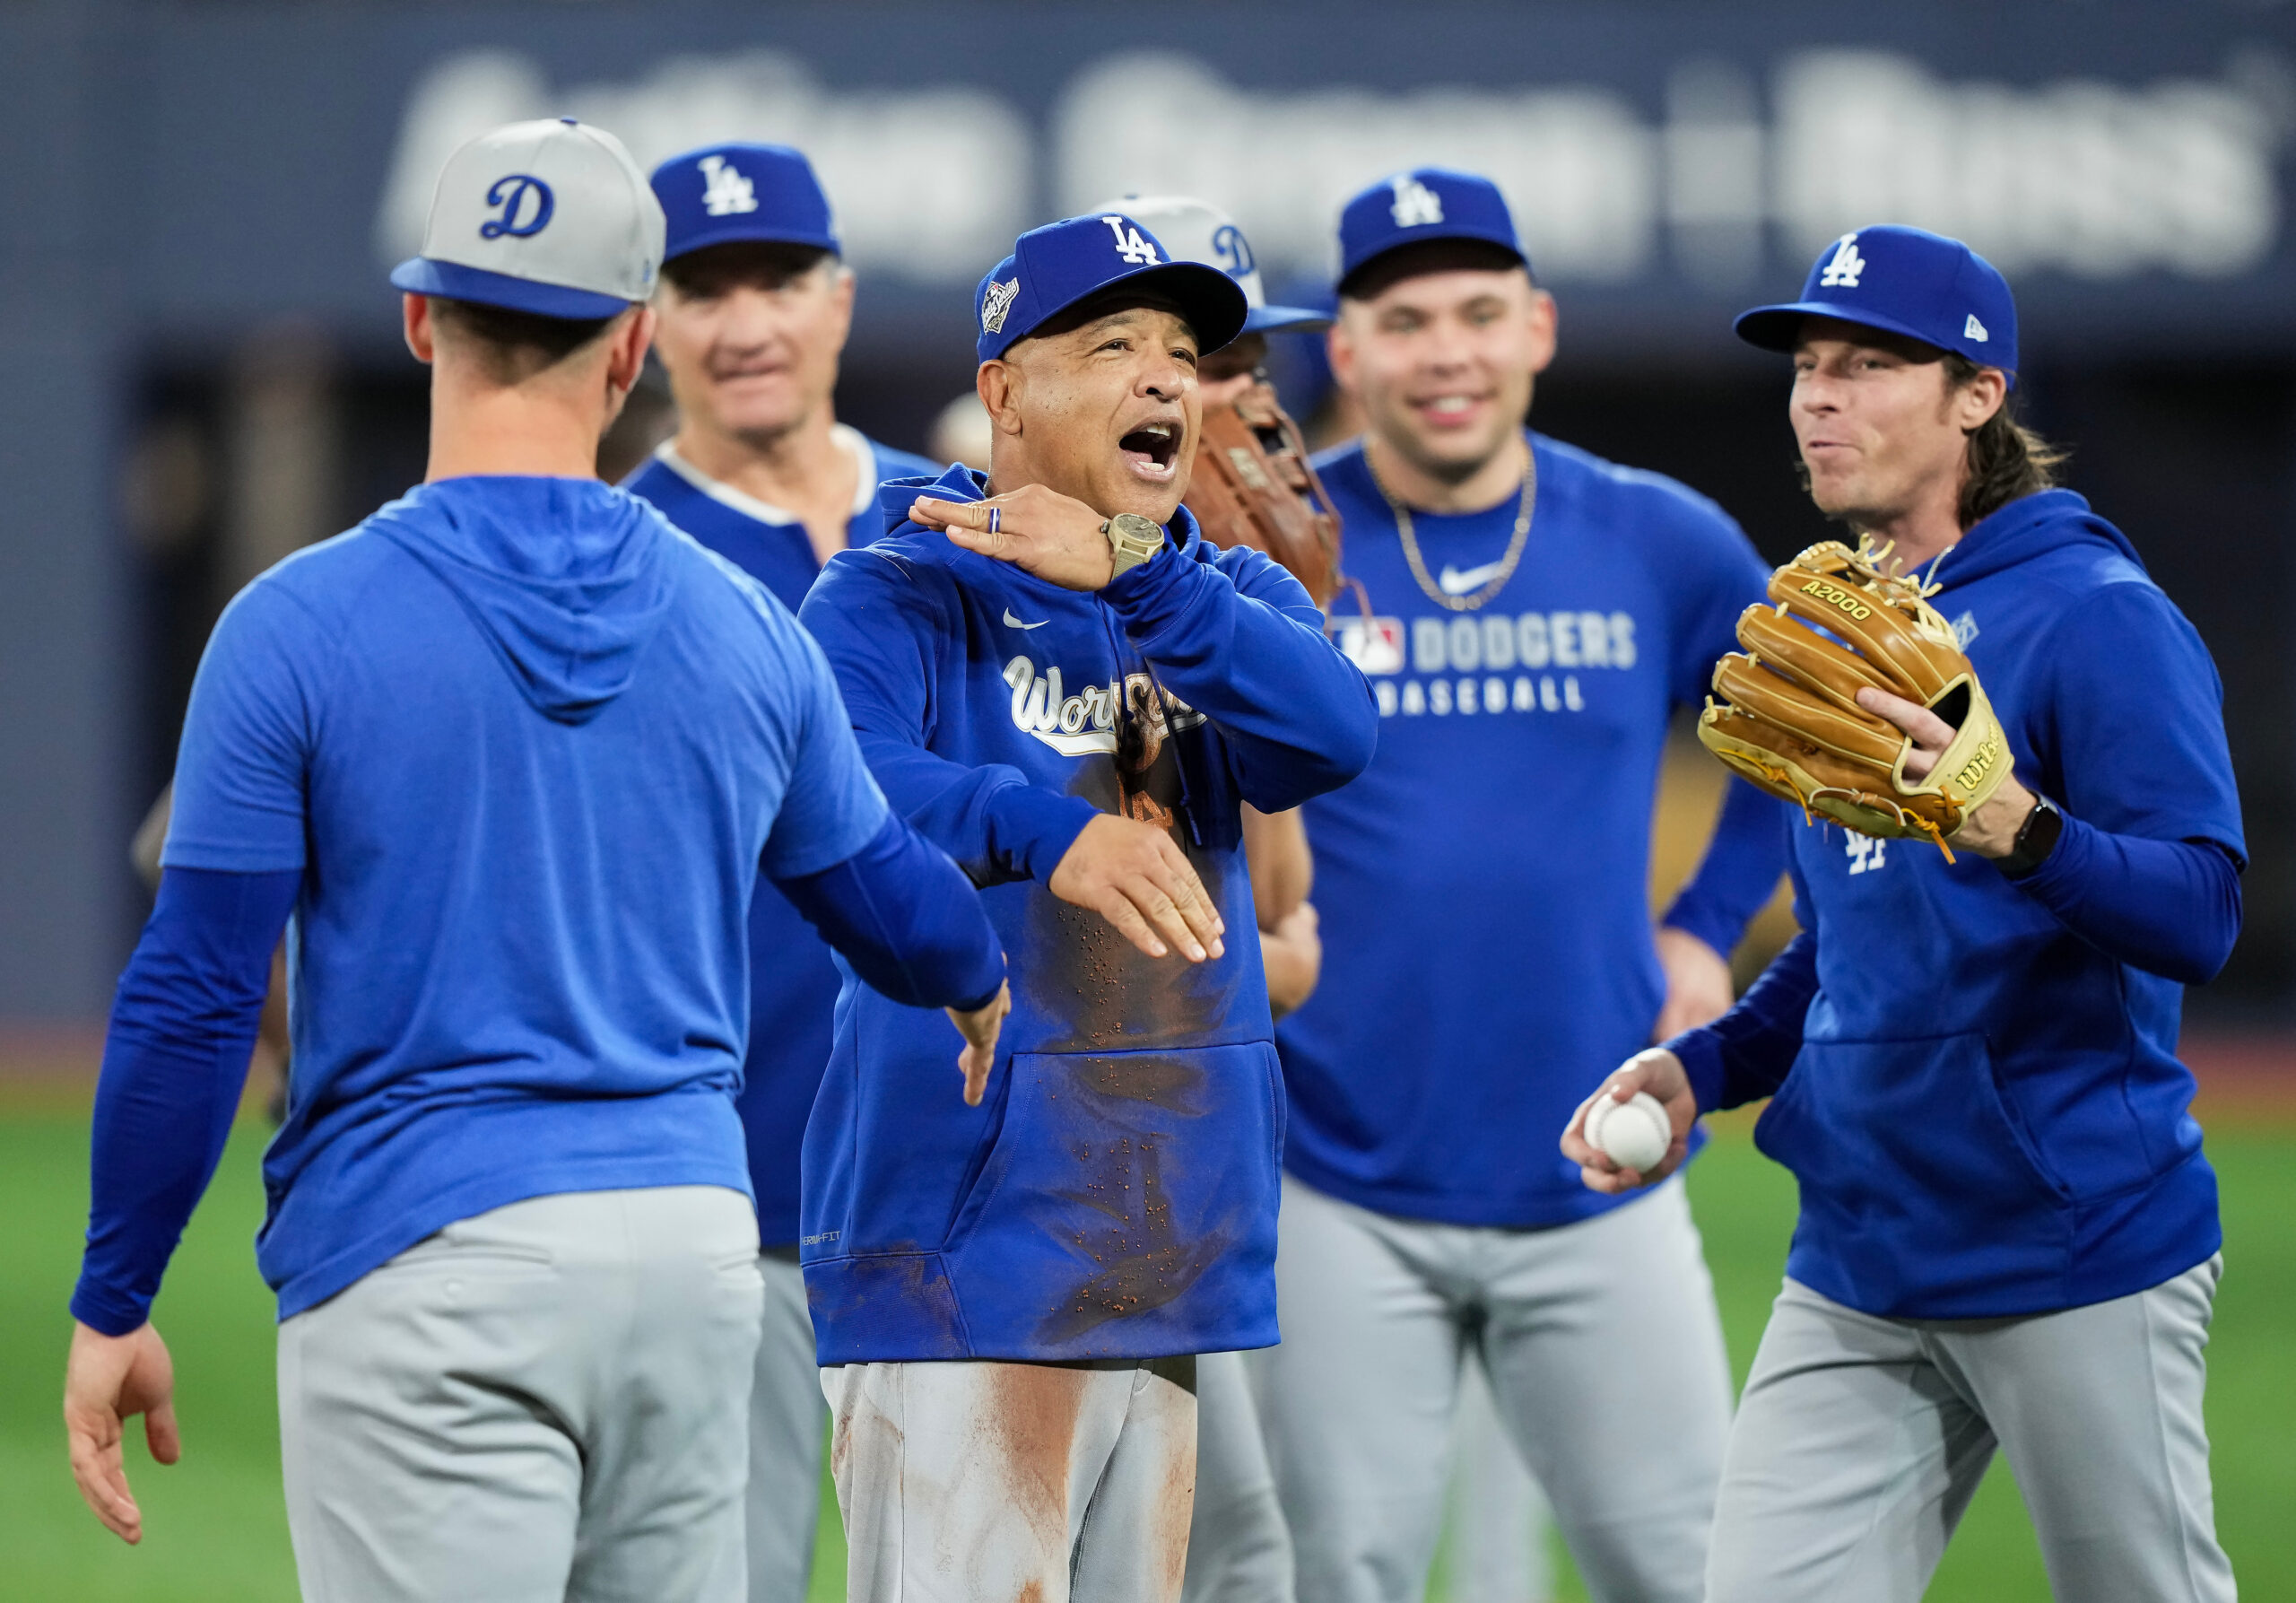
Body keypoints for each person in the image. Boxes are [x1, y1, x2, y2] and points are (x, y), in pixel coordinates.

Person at [62, 118, 1008, 1603]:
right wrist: (974, 981)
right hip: (688, 1263)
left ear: (421, 316)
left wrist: (117, 1293)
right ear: (635, 345)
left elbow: (192, 998)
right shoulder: (747, 627)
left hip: (426, 1255)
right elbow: (895, 905)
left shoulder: (295, 628)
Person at [1566, 224, 2244, 1603]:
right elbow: (1845, 957)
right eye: (1810, 367)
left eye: (1870, 365)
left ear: (1978, 397)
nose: (1820, 396)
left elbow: (2203, 911)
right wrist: (1697, 1073)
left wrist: (2026, 829)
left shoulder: (2098, 615)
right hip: (1859, 1258)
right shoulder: (1853, 628)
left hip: (2071, 1245)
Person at [796, 211, 1378, 1602]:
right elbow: (838, 787)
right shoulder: (889, 592)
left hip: (1159, 1246)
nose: (1167, 379)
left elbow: (1336, 733)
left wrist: (1139, 571)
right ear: (1004, 389)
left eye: (1183, 352)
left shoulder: (1206, 593)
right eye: (1114, 346)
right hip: (961, 1261)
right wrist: (1047, 832)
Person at [1260, 168, 1787, 1603]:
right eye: (1409, 319)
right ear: (1349, 352)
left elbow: (1808, 745)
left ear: (1538, 329)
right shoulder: (1279, 546)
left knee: (1688, 1573)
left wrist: (1702, 928)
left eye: (1481, 314)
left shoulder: (1655, 538)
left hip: (1600, 1167)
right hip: (1330, 1175)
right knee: (1331, 1578)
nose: (1449, 353)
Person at [621, 140, 942, 1603]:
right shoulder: (611, 555)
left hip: (957, 1182)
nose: (745, 321)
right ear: (647, 321)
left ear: (841, 300)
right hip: (724, 1188)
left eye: (778, 280)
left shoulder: (963, 523)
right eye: (703, 287)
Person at [1086, 192, 1333, 1603]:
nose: (1227, 401)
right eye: (1180, 354)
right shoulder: (993, 552)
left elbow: (1290, 920)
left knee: (1241, 1546)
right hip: (1061, 1165)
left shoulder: (1254, 586)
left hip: (1205, 1145)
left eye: (1243, 366)